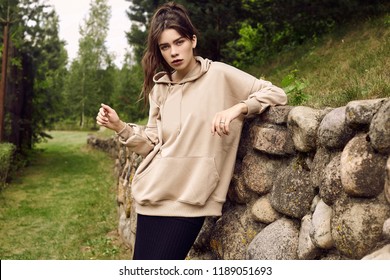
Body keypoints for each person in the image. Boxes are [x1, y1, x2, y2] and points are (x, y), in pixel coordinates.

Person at [96, 2, 287, 260]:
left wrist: (238, 109)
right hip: (153, 195)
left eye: (179, 42)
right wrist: (119, 127)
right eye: (165, 47)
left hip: (192, 199)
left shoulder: (219, 75)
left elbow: (276, 93)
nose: (173, 52)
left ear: (193, 40)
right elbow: (152, 145)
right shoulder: (160, 90)